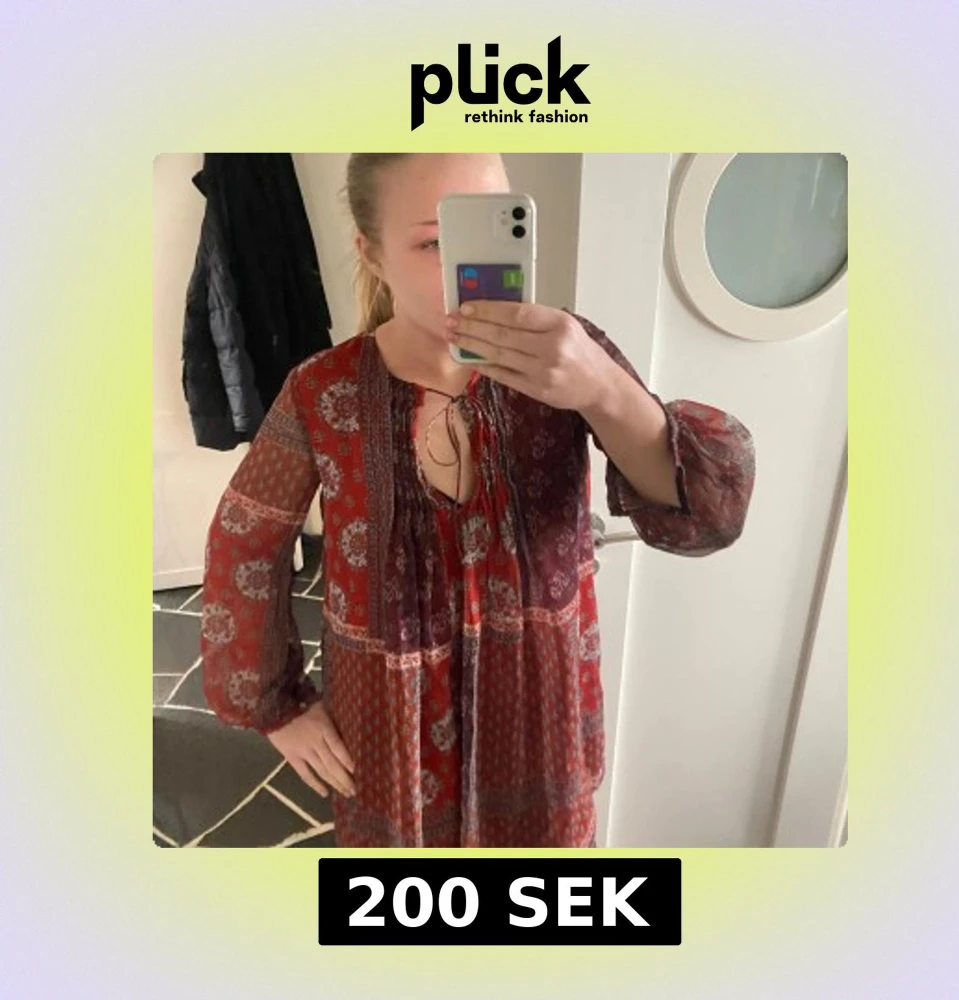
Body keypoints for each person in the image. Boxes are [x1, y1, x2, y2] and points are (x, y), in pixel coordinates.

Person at [199, 152, 756, 848]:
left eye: (494, 227)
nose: (467, 272)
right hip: (387, 749)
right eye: (435, 243)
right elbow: (245, 540)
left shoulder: (573, 360)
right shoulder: (323, 391)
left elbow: (710, 515)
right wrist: (275, 707)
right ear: (371, 253)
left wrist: (604, 389)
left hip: (542, 742)